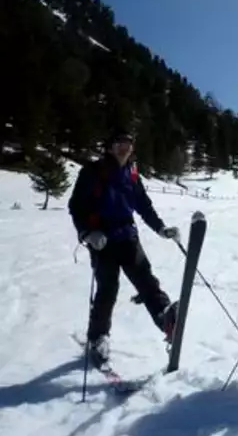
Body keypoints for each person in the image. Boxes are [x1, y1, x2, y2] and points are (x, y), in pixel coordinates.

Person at [68, 127, 181, 364]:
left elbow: (144, 206)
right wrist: (87, 233)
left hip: (127, 236)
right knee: (107, 289)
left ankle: (165, 318)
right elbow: (76, 206)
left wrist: (160, 228)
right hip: (102, 240)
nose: (125, 146)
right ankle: (98, 338)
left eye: (128, 142)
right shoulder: (93, 171)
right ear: (109, 146)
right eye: (119, 142)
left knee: (146, 281)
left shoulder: (132, 173)